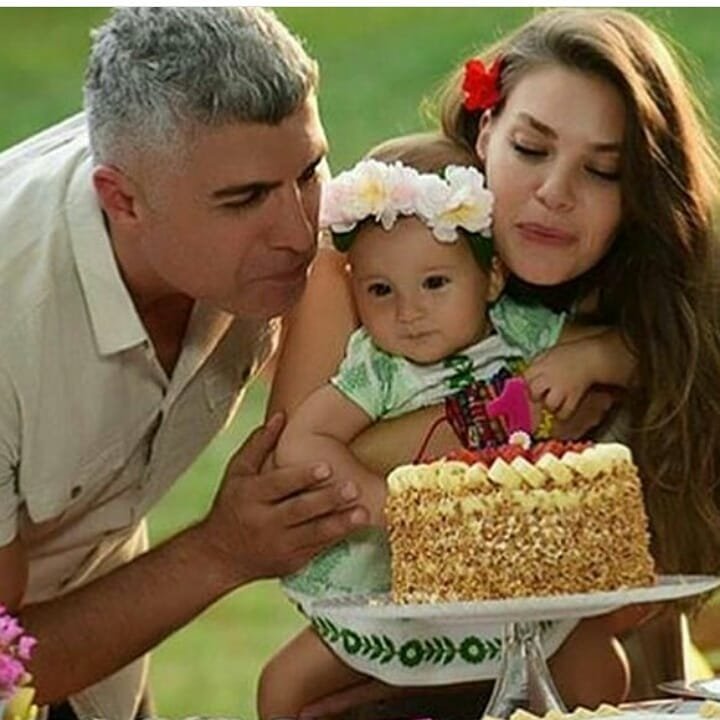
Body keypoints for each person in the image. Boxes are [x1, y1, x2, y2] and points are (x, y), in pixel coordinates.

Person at [267, 8, 720, 719]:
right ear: (486, 133)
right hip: (401, 644)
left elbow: (645, 589)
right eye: (532, 149)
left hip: (593, 663)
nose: (555, 192)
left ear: (641, 190)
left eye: (603, 170)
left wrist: (617, 351)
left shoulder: (652, 306)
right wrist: (520, 405)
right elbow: (294, 487)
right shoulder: (389, 251)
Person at [0, 8, 372, 720]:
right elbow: (2, 659)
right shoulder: (12, 328)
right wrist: (221, 552)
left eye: (307, 172)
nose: (298, 234)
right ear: (122, 200)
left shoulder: (223, 203)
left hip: (104, 657)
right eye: (245, 200)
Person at [258, 134, 635, 719]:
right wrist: (380, 498)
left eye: (435, 283)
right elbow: (303, 443)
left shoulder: (523, 333)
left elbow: (643, 352)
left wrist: (592, 358)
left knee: (601, 671)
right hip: (400, 586)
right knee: (282, 687)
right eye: (380, 290)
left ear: (492, 278)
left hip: (519, 579)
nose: (408, 312)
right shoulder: (379, 372)